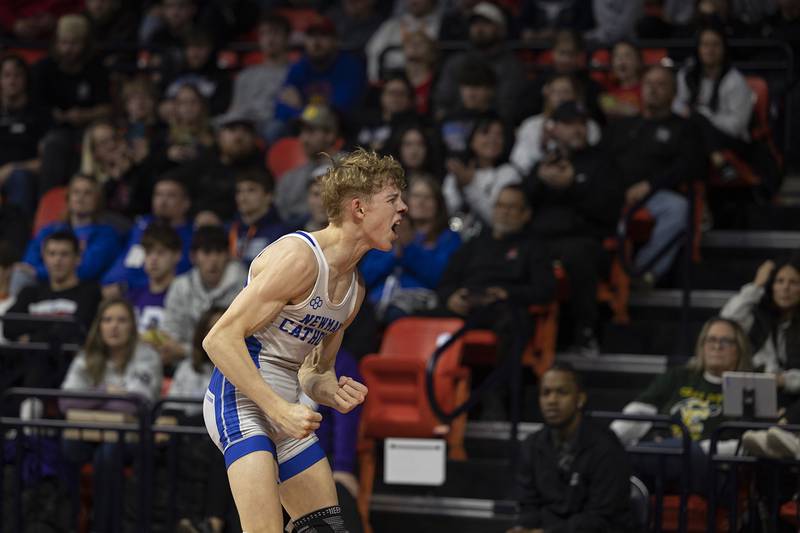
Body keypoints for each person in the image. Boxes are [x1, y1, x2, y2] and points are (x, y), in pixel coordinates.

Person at [201, 148, 406, 532]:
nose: (404, 208)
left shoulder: (355, 289)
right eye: (393, 199)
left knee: (325, 529)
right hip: (240, 401)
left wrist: (330, 391)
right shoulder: (301, 257)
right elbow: (219, 339)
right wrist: (278, 409)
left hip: (285, 410)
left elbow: (315, 372)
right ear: (359, 208)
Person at [438, 185, 556, 418]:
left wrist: (507, 293)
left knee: (512, 324)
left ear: (526, 214)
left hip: (506, 309)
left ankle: (496, 399)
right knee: (414, 319)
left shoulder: (534, 248)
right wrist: (451, 298)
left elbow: (545, 290)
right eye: (501, 206)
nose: (504, 212)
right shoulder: (474, 244)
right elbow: (445, 283)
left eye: (512, 207)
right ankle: (435, 396)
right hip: (467, 308)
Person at [525, 101, 624, 355]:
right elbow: (522, 203)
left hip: (586, 239)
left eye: (581, 124)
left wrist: (572, 186)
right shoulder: (545, 162)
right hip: (540, 240)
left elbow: (609, 211)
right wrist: (539, 180)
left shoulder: (602, 161)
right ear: (554, 129)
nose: (577, 130)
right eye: (569, 124)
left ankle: (586, 330)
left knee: (577, 254)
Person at [610, 317, 752, 494]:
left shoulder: (748, 386)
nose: (717, 346)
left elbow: (748, 443)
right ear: (701, 345)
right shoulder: (679, 376)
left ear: (739, 348)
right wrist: (609, 439)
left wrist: (700, 450)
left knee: (686, 448)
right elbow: (639, 412)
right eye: (711, 339)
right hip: (663, 460)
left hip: (714, 469)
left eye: (726, 341)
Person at [59, 297, 162, 533]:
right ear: (99, 325)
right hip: (88, 435)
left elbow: (133, 405)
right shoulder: (87, 356)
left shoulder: (147, 356)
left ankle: (104, 526)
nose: (114, 326)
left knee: (108, 454)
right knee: (67, 444)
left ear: (132, 326)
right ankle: (68, 521)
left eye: (121, 320)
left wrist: (90, 401)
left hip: (134, 438)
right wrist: (107, 392)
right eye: (107, 320)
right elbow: (66, 402)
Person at [604, 65, 706, 284]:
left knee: (679, 208)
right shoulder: (623, 125)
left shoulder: (684, 128)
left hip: (655, 195)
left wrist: (651, 185)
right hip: (613, 192)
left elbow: (689, 165)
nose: (653, 90)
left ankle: (642, 270)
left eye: (661, 85)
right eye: (649, 84)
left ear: (674, 93)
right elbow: (604, 159)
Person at [508, 363, 634, 533]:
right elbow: (528, 505)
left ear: (580, 399)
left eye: (562, 392)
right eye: (546, 393)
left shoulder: (606, 447)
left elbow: (603, 518)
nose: (552, 401)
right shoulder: (531, 445)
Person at [167, 306, 234, 533]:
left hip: (225, 437)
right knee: (176, 446)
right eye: (210, 327)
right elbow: (171, 409)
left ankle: (212, 522)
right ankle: (186, 520)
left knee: (220, 451)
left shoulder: (240, 367)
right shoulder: (189, 368)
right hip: (190, 440)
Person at [360, 173, 461, 322]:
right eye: (416, 196)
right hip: (377, 303)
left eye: (427, 198)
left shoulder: (449, 238)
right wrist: (394, 254)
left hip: (419, 304)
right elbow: (365, 276)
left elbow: (440, 277)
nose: (421, 202)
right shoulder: (388, 231)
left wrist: (408, 248)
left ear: (438, 203)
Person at [673, 23, 755, 182]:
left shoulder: (735, 81)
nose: (710, 50)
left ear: (724, 49)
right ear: (698, 48)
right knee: (692, 134)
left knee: (696, 122)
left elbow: (737, 127)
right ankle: (718, 161)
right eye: (705, 45)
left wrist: (705, 116)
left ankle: (695, 195)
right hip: (694, 133)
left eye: (715, 45)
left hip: (732, 139)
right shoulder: (687, 75)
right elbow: (676, 106)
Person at [160, 225, 246, 369]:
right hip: (185, 366)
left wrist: (184, 350)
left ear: (228, 255)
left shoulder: (245, 285)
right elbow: (171, 335)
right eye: (206, 252)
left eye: (219, 252)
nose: (213, 260)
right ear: (193, 257)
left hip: (234, 365)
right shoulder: (180, 287)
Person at [434, 2, 528, 125]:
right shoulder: (455, 62)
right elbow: (442, 102)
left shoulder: (511, 67)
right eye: (475, 24)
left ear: (500, 29)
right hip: (456, 126)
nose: (479, 28)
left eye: (486, 23)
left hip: (493, 129)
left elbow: (508, 109)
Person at [102, 172, 193, 294]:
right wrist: (109, 282)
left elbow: (176, 276)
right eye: (158, 195)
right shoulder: (141, 225)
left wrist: (127, 287)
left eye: (171, 195)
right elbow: (126, 259)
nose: (163, 201)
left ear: (186, 203)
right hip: (117, 291)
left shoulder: (191, 235)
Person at [21, 173, 120, 283]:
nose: (80, 197)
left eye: (87, 193)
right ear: (68, 197)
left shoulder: (106, 235)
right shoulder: (49, 230)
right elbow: (28, 263)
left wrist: (38, 272)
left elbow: (85, 271)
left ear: (97, 200)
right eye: (76, 192)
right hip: (42, 288)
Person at [273, 17, 366, 125]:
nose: (316, 42)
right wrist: (306, 113)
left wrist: (301, 109)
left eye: (323, 35)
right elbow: (280, 109)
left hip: (339, 128)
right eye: (311, 36)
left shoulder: (350, 66)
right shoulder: (299, 67)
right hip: (301, 126)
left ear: (335, 40)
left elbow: (338, 110)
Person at [443, 114, 521, 238]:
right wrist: (458, 187)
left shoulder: (509, 173)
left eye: (499, 135)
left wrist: (469, 185)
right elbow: (444, 211)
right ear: (472, 140)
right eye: (485, 133)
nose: (492, 139)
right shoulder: (459, 171)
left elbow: (496, 218)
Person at [510, 73, 602, 178]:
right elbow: (520, 161)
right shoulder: (531, 125)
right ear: (547, 94)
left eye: (566, 92)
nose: (561, 97)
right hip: (537, 179)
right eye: (556, 92)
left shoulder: (589, 125)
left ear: (576, 95)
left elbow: (594, 159)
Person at [224, 13, 291, 142]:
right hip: (243, 124)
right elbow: (234, 109)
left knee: (274, 129)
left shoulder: (293, 73)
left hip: (270, 125)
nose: (269, 39)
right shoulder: (245, 75)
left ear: (287, 38)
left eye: (275, 33)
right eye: (264, 34)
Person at [275, 104, 341, 229]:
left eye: (311, 131)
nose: (303, 139)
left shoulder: (348, 168)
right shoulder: (290, 177)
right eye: (301, 132)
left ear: (330, 135)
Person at [0, 54, 49, 215]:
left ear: (26, 79)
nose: (12, 81)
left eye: (17, 75)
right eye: (6, 75)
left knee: (19, 177)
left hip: (24, 176)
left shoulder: (39, 114)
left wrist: (12, 168)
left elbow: (45, 162)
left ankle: (18, 233)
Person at [127, 221, 183, 343]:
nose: (153, 259)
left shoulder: (185, 297)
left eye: (160, 252)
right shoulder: (132, 297)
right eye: (148, 253)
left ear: (177, 255)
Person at [230, 169, 289, 266]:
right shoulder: (230, 229)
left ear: (269, 196)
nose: (242, 198)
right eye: (239, 192)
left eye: (251, 190)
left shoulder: (282, 234)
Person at [599, 40, 644, 119]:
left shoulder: (646, 88)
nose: (621, 60)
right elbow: (608, 110)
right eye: (617, 56)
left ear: (638, 61)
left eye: (627, 56)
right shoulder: (607, 90)